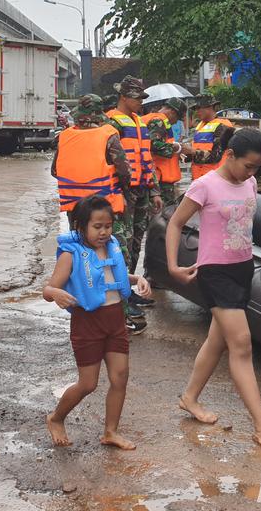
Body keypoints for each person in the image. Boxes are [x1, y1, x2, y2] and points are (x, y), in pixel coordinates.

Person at [164, 127, 261, 452]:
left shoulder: (250, 183)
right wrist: (173, 266)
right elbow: (175, 223)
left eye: (257, 167)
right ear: (230, 155)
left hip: (242, 268)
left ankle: (190, 397)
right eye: (248, 165)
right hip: (215, 272)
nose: (252, 172)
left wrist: (250, 175)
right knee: (241, 344)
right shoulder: (204, 185)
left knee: (217, 340)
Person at [42, 195, 153, 449]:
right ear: (80, 226)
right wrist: (56, 293)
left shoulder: (111, 246)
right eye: (97, 227)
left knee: (120, 377)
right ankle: (56, 418)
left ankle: (110, 432)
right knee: (88, 383)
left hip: (115, 320)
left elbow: (115, 277)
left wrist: (138, 279)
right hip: (87, 323)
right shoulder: (70, 255)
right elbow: (48, 290)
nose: (104, 232)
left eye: (108, 226)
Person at [51, 95, 147, 333]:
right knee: (114, 258)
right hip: (105, 211)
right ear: (99, 115)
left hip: (76, 213)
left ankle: (86, 307)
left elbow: (55, 170)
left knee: (82, 261)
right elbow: (124, 172)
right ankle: (121, 314)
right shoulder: (108, 135)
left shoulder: (64, 137)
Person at [106, 77, 164, 277]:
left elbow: (147, 159)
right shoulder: (111, 123)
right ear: (123, 97)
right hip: (122, 191)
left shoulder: (140, 121)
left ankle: (130, 283)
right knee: (123, 240)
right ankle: (120, 287)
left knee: (137, 239)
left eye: (142, 98)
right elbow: (108, 161)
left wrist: (155, 191)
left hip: (142, 189)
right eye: (137, 98)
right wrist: (116, 192)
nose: (141, 101)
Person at [142, 97, 187, 207]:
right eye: (177, 118)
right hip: (159, 178)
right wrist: (176, 148)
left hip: (154, 176)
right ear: (172, 112)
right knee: (163, 212)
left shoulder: (150, 118)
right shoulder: (158, 121)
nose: (176, 122)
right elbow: (153, 144)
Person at [185, 94, 234, 182]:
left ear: (211, 107)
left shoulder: (223, 126)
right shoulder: (200, 126)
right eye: (195, 109)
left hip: (216, 180)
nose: (197, 111)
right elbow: (195, 153)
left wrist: (193, 151)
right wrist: (184, 152)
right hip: (199, 179)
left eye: (199, 108)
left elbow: (216, 156)